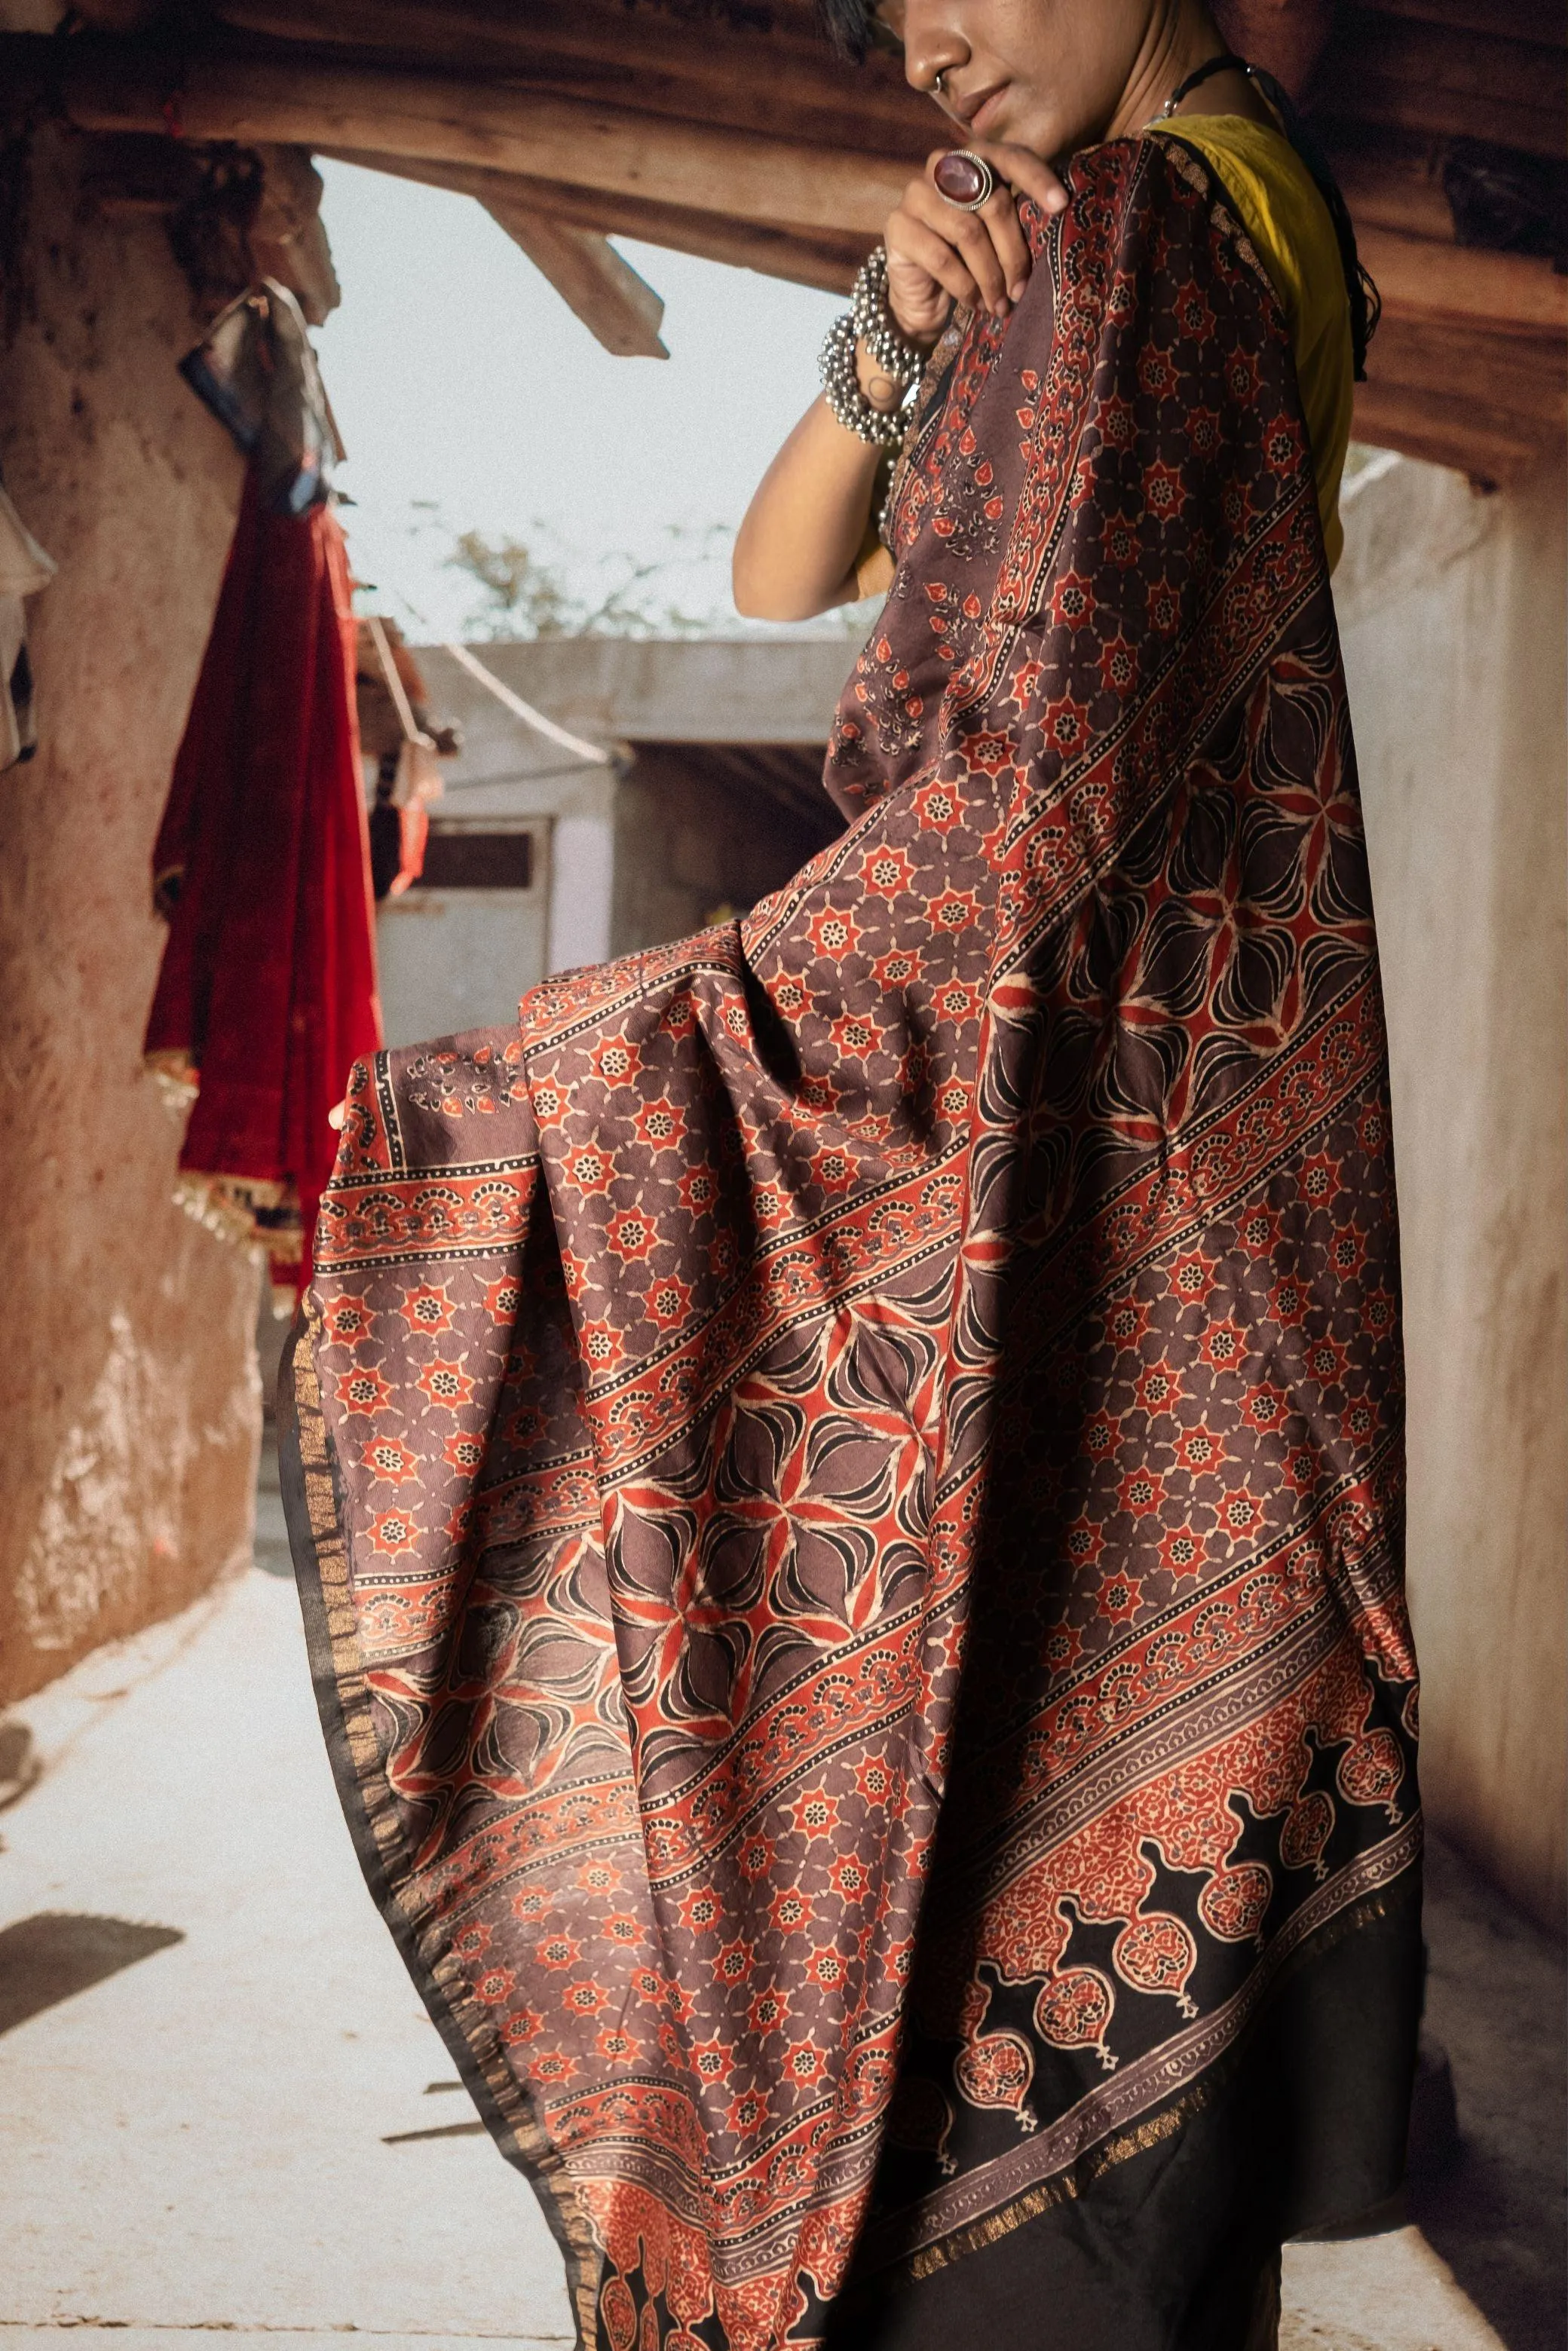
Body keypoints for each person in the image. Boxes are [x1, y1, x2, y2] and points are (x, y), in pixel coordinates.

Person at [283, 5, 1420, 2348]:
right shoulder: (1228, 219)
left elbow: (1012, 818)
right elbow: (782, 556)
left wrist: (569, 1086)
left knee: (938, 2101)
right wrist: (895, 321)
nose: (921, 38)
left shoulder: (1147, 244)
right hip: (1212, 1176)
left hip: (1085, 1221)